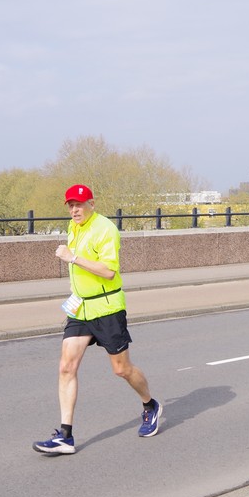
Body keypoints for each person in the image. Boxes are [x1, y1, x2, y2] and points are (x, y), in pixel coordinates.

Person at [33, 184, 160, 455]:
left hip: (107, 308)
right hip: (80, 309)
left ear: (92, 204)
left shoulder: (105, 229)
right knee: (66, 367)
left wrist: (73, 258)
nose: (74, 210)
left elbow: (108, 271)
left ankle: (150, 405)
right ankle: (65, 436)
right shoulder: (74, 227)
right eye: (70, 205)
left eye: (79, 204)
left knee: (121, 369)